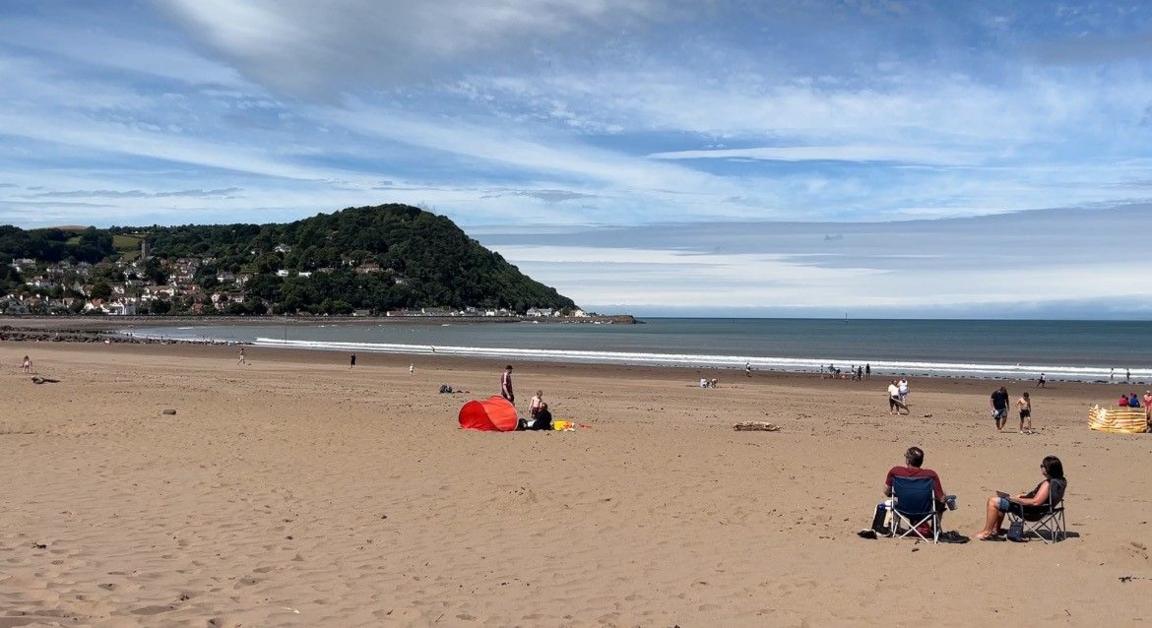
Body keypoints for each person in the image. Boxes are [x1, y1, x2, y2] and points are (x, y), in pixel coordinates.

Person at [863, 446, 955, 537]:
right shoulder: (931, 475)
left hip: (902, 510)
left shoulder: (895, 472)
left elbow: (886, 491)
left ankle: (896, 528)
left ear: (908, 461)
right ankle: (935, 528)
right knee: (941, 501)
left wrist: (898, 493)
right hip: (926, 512)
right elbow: (941, 499)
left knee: (894, 502)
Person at [974, 455, 1066, 541]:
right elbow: (1043, 498)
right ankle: (995, 530)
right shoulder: (1060, 481)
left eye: (1043, 466)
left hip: (1031, 511)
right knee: (1001, 502)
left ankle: (987, 532)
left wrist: (1015, 500)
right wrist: (1023, 496)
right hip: (1042, 510)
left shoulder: (1048, 484)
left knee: (993, 501)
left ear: (1048, 469)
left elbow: (1036, 502)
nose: (1041, 467)